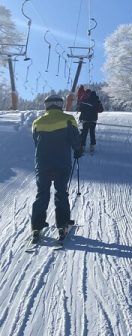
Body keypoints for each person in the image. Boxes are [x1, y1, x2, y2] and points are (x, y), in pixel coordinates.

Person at [30, 94, 82, 243]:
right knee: (61, 192)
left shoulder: (37, 122)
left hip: (42, 163)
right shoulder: (68, 119)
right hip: (61, 163)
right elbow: (75, 140)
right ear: (60, 105)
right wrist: (78, 150)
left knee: (42, 193)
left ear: (46, 106)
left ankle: (36, 226)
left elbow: (36, 142)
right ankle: (62, 225)